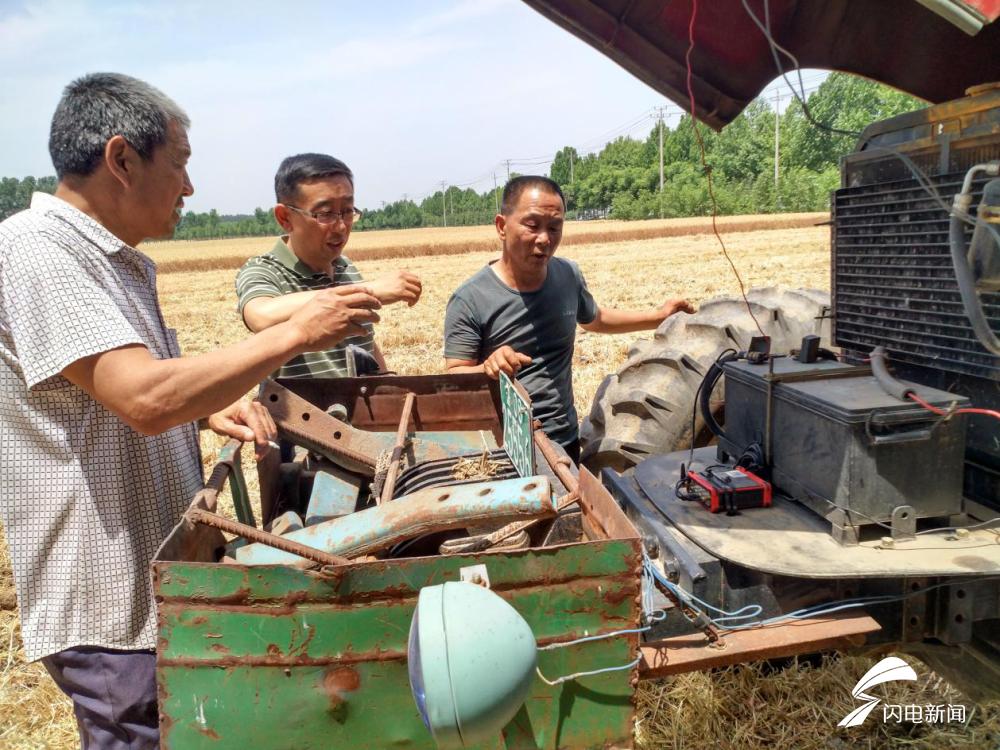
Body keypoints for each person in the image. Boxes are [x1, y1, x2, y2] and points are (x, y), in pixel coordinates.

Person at [0, 73, 381, 749]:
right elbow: (144, 398)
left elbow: (114, 392)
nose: (190, 188)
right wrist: (293, 333)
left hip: (154, 583)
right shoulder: (39, 249)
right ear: (121, 159)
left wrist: (205, 410)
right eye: (179, 165)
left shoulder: (116, 262)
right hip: (112, 602)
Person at [443, 175, 694, 463]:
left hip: (564, 438)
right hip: (506, 448)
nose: (545, 239)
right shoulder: (470, 299)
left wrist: (660, 317)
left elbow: (595, 318)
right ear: (501, 226)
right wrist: (489, 366)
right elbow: (454, 375)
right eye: (532, 225)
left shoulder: (567, 275)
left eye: (555, 227)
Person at [235, 153, 422, 378]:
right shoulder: (264, 270)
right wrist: (369, 291)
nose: (341, 226)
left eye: (347, 211)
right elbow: (261, 315)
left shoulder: (346, 268)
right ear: (285, 217)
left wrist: (388, 385)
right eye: (325, 214)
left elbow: (364, 343)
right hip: (301, 412)